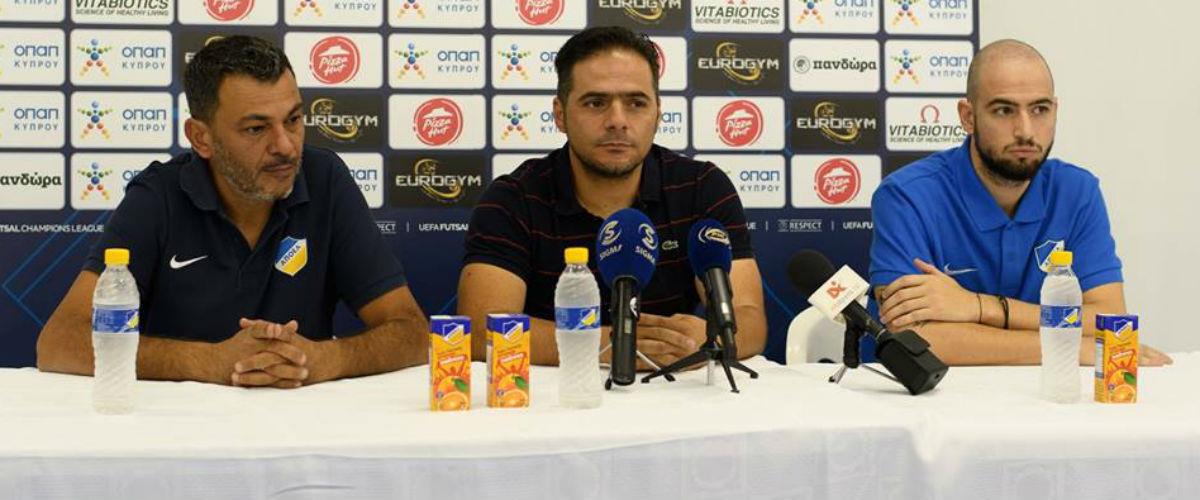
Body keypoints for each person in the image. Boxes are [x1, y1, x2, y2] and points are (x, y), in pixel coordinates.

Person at [36, 36, 429, 387]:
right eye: (256, 129)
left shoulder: (324, 178)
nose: (285, 146)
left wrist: (326, 359)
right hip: (180, 429)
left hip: (301, 426)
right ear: (201, 138)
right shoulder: (158, 196)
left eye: (293, 120)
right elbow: (60, 342)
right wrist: (210, 361)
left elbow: (411, 331)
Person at [457, 26, 767, 368]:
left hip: (671, 391)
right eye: (596, 103)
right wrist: (615, 344)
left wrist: (709, 338)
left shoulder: (702, 187)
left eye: (636, 103)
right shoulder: (513, 198)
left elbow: (749, 317)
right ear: (560, 114)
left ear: (657, 113)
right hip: (556, 393)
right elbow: (481, 329)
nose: (617, 121)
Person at [869, 39, 1171, 366]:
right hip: (936, 393)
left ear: (1055, 111)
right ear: (968, 117)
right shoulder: (907, 196)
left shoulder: (1077, 191)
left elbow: (1108, 317)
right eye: (1004, 110)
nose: (1025, 131)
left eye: (1040, 109)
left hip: (1046, 390)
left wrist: (979, 307)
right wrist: (1069, 348)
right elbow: (911, 337)